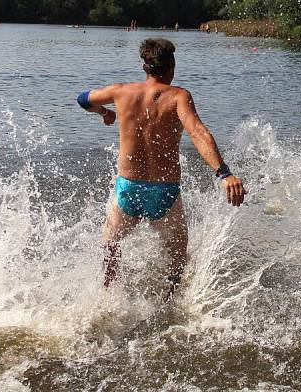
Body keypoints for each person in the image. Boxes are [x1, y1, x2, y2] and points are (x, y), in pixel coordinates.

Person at [76, 38, 246, 301]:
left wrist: (104, 113)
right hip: (164, 192)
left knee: (110, 250)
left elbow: (82, 98)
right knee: (178, 262)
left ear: (144, 66)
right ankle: (170, 305)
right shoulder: (178, 96)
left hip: (128, 189)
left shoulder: (121, 92)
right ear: (171, 65)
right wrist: (223, 173)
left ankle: (106, 303)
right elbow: (197, 132)